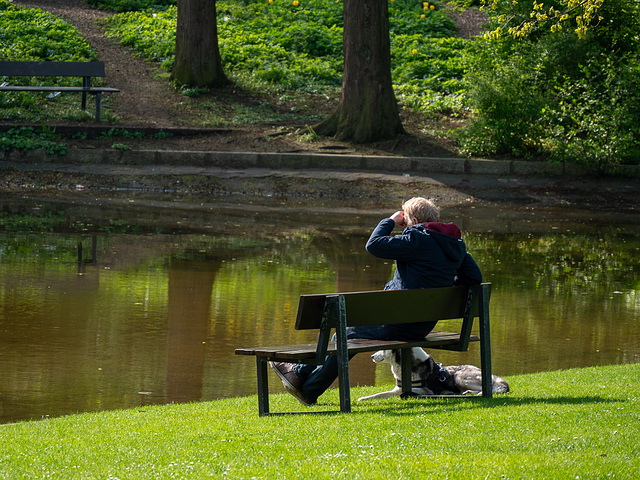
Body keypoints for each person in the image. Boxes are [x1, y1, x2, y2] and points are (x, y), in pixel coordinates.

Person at [270, 197, 483, 405]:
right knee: (346, 335)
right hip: (421, 326)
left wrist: (389, 221)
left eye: (406, 221)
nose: (404, 226)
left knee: (343, 335)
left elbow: (374, 245)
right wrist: (440, 284)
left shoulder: (417, 238)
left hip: (399, 323)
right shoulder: (455, 244)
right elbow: (474, 278)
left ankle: (304, 382)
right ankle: (303, 381)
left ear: (415, 222)